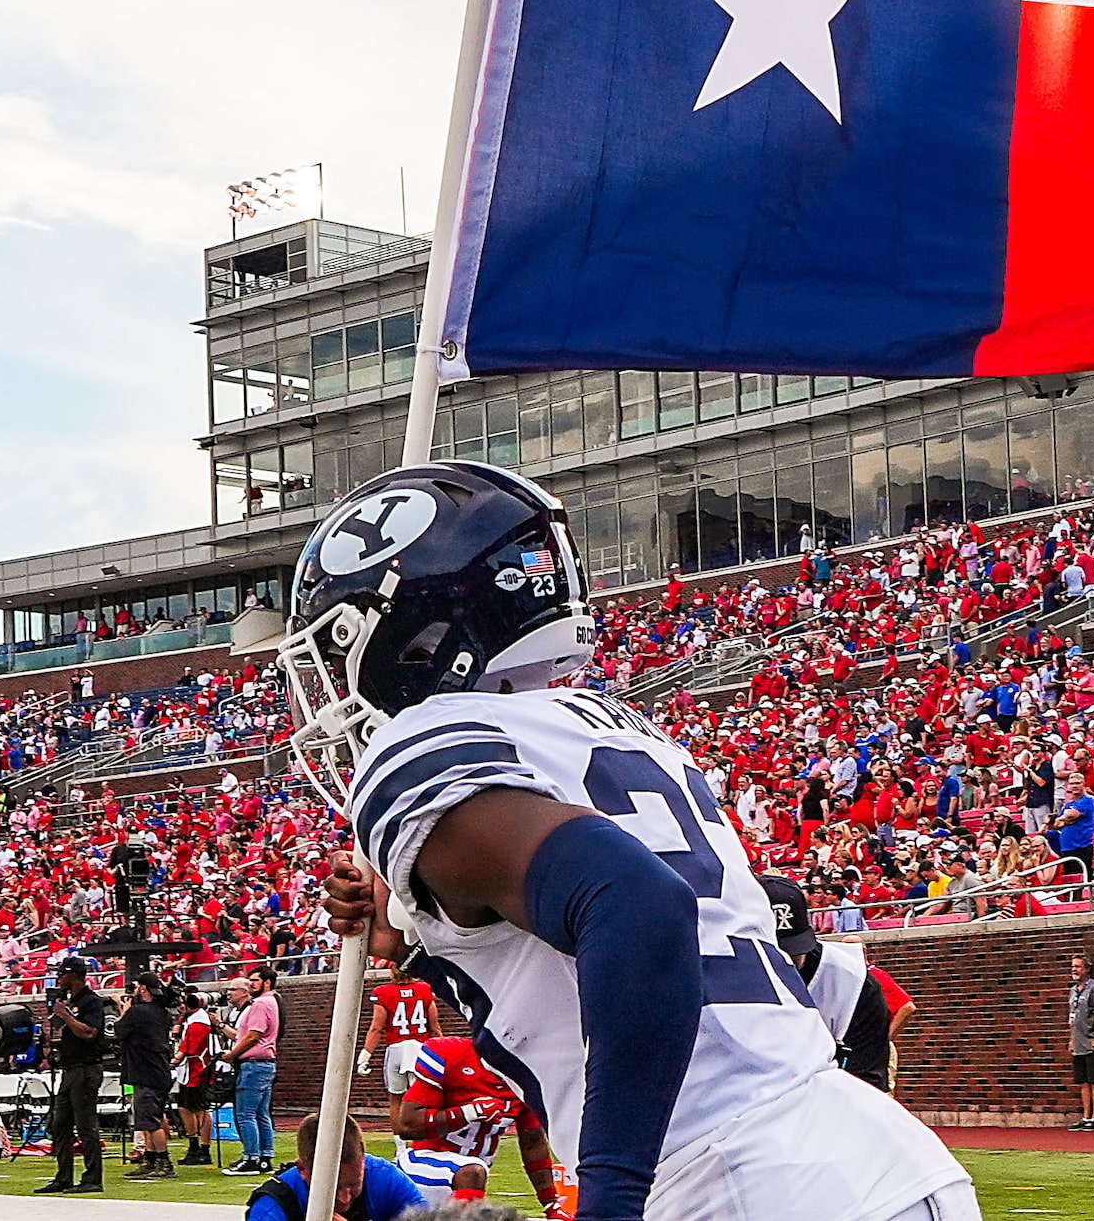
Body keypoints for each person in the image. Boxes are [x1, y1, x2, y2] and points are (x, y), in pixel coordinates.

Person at [296, 463, 973, 1221]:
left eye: (335, 645)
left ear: (409, 631)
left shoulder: (424, 741)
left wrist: (612, 1198)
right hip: (852, 1146)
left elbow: (640, 903)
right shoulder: (616, 725)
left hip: (729, 1173)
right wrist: (416, 930)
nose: (326, 678)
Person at [391, 1033, 565, 1217]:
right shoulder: (452, 1056)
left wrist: (551, 1203)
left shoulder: (525, 1076)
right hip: (423, 1163)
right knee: (472, 1172)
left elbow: (533, 1143)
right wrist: (466, 1113)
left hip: (468, 1178)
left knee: (473, 1172)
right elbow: (407, 1126)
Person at [762, 877, 905, 1093]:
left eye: (792, 952)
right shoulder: (712, 973)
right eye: (772, 954)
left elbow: (865, 1090)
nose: (785, 964)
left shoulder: (854, 983)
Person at [243, 1113, 429, 1221]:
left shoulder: (385, 1178)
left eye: (354, 1184)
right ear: (302, 1170)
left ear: (363, 1160)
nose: (344, 1198)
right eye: (332, 1188)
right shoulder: (271, 1209)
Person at [37, 954, 109, 1194]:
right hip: (69, 1068)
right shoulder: (69, 1001)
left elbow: (89, 1033)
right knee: (60, 1125)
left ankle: (92, 1178)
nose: (59, 978)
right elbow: (63, 1033)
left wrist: (66, 1015)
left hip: (86, 1069)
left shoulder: (91, 1002)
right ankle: (64, 1175)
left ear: (74, 976)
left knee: (86, 1125)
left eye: (62, 974)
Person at [119, 970, 178, 1181]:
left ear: (143, 989)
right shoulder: (162, 1012)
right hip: (158, 1071)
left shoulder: (138, 1013)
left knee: (150, 1122)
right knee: (147, 1120)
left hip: (146, 1072)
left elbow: (119, 1031)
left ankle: (164, 1161)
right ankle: (150, 1159)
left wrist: (125, 1011)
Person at [224, 969, 281, 1177]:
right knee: (261, 1113)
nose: (251, 985)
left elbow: (252, 1036)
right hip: (266, 1063)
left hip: (254, 1063)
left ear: (267, 982)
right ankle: (265, 1157)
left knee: (246, 1113)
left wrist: (232, 1054)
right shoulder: (273, 1001)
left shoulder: (260, 1004)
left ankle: (252, 1158)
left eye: (255, 981)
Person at [359, 954, 442, 1084]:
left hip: (396, 1048)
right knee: (420, 1098)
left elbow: (377, 1028)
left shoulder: (383, 992)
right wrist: (442, 1053)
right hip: (420, 1048)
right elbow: (435, 1028)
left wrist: (366, 1053)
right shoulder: (424, 989)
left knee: (396, 1099)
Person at [175, 986, 218, 1167]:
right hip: (191, 1070)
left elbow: (189, 1048)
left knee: (199, 1109)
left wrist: (174, 1059)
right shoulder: (193, 1020)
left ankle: (203, 1148)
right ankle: (195, 1146)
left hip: (197, 1071)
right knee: (185, 1107)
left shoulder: (198, 1023)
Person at [1067, 957, 1094, 1131]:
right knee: (1083, 1081)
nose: (1074, 970)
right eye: (1072, 967)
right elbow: (1072, 1016)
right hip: (1077, 1039)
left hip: (1090, 1037)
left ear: (1087, 969)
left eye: (1077, 967)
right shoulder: (1073, 991)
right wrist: (1071, 1038)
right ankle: (1086, 1115)